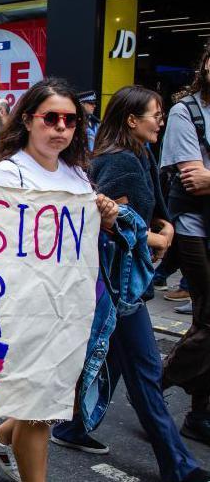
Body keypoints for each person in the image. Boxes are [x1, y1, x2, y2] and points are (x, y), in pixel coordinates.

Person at [51, 84, 210, 482]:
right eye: (154, 114)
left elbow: (151, 210)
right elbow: (113, 224)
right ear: (131, 120)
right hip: (118, 283)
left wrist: (167, 227)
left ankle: (73, 427)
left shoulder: (138, 153)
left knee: (113, 361)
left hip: (124, 281)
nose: (161, 119)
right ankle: (178, 464)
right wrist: (158, 238)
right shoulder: (120, 161)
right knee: (144, 371)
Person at [0, 78, 118, 482]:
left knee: (46, 400)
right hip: (25, 310)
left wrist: (104, 219)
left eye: (70, 121)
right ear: (27, 119)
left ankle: (2, 435)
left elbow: (84, 239)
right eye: (50, 118)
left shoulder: (76, 175)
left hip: (70, 309)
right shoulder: (8, 173)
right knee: (41, 406)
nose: (60, 128)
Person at [161, 45, 210, 447]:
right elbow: (194, 178)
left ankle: (199, 412)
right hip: (195, 227)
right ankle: (156, 380)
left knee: (207, 320)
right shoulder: (185, 111)